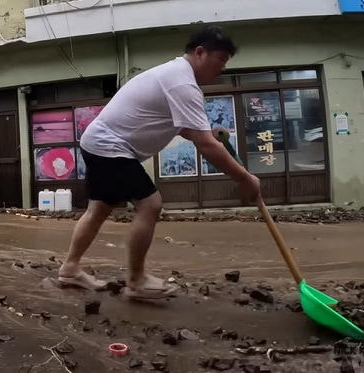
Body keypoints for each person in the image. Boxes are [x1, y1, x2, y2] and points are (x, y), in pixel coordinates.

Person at [57, 26, 261, 299]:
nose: (222, 68)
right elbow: (206, 145)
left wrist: (204, 135)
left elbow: (187, 130)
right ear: (200, 53)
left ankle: (70, 269)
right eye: (221, 59)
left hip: (100, 142)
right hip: (111, 146)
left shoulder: (176, 76)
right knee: (150, 204)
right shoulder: (182, 83)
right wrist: (245, 179)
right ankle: (136, 280)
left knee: (99, 209)